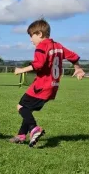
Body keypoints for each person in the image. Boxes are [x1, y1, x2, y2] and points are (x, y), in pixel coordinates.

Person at [11, 19, 85, 147]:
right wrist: (77, 68)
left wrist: (21, 70)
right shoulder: (58, 46)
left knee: (21, 107)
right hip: (53, 86)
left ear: (39, 34)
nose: (30, 40)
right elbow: (73, 56)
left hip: (41, 85)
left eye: (31, 36)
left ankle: (34, 129)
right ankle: (21, 135)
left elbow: (38, 65)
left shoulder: (42, 46)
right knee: (28, 109)